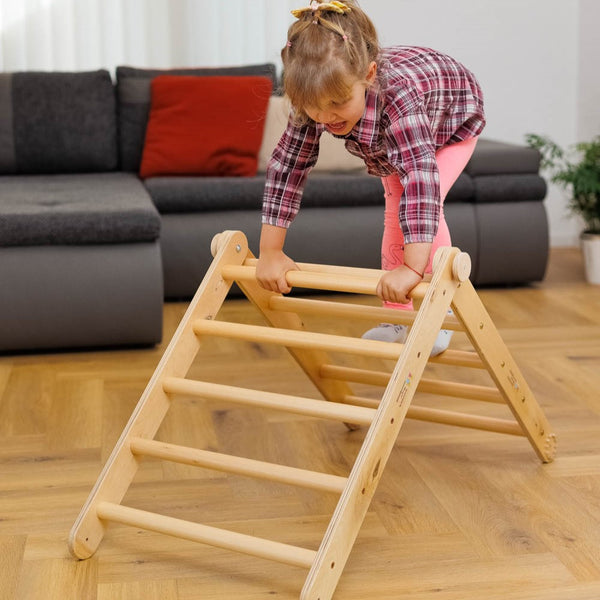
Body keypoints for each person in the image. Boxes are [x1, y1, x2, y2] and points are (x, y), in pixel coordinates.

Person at [256, 0, 485, 355]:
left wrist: (412, 269)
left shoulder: (399, 97)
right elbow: (287, 167)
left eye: (337, 103)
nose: (325, 116)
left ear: (369, 74)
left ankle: (438, 314)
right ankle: (398, 317)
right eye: (314, 106)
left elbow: (421, 180)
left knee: (422, 203)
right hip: (392, 139)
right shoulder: (314, 104)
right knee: (393, 207)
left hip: (452, 123)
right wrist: (270, 252)